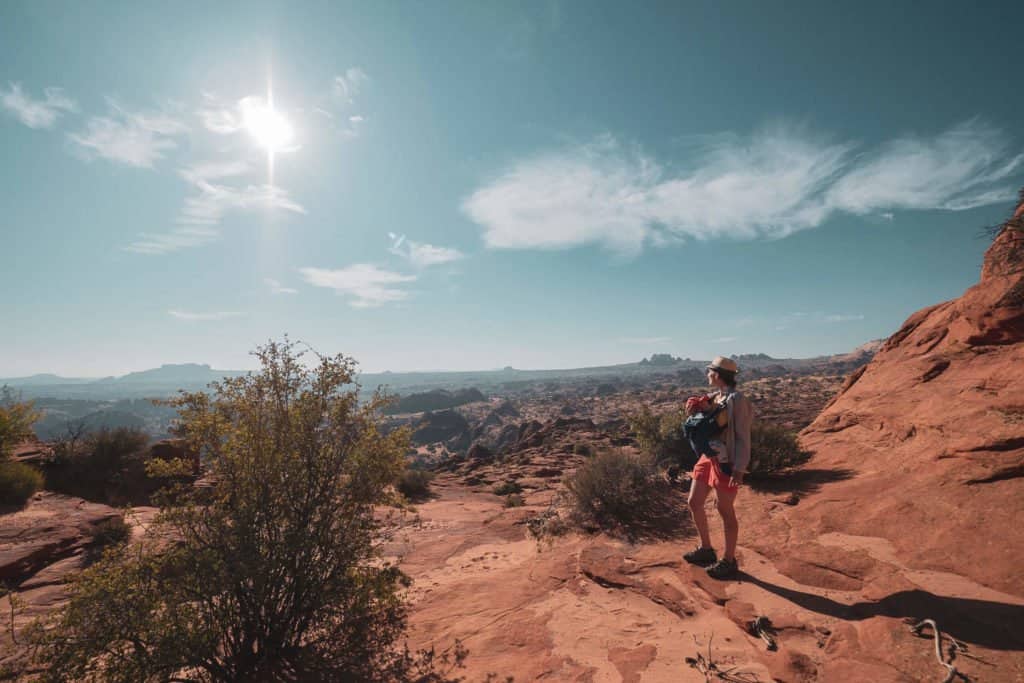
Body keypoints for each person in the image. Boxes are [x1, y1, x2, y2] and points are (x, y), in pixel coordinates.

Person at [683, 356, 752, 580]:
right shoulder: (716, 396)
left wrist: (740, 468)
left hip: (726, 461)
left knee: (724, 510)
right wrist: (696, 409)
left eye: (709, 371)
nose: (707, 374)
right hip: (708, 456)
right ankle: (706, 550)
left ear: (717, 375)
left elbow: (743, 435)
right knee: (694, 502)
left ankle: (729, 561)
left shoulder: (737, 400)